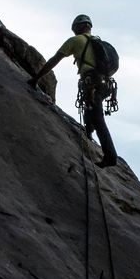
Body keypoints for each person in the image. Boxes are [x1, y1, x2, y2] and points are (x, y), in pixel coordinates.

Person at [29, 14, 118, 168]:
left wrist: (36, 78)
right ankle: (88, 132)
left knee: (98, 118)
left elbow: (54, 60)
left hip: (91, 82)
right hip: (105, 84)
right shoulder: (97, 42)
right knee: (91, 109)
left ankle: (110, 157)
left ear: (77, 28)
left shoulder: (76, 41)